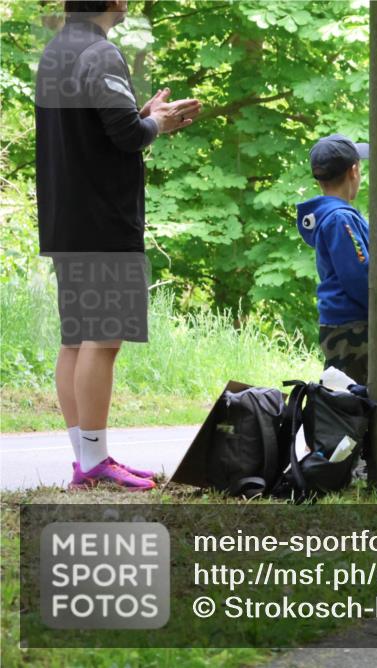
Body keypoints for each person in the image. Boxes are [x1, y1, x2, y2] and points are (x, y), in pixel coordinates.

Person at [35, 0, 201, 490]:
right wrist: (158, 123)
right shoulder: (99, 52)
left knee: (75, 338)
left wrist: (142, 113)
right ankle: (94, 463)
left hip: (65, 218)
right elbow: (126, 137)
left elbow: (100, 128)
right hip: (104, 219)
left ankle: (87, 459)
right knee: (102, 340)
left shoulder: (56, 52)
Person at [296, 134, 371, 384]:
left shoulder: (335, 215)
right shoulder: (340, 219)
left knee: (348, 402)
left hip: (344, 325)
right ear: (353, 171)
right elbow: (358, 276)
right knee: (350, 408)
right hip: (352, 329)